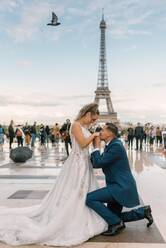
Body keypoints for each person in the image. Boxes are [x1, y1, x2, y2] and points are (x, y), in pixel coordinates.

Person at [0, 103, 107, 246]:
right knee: (75, 191)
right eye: (93, 119)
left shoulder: (83, 126)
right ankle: (71, 217)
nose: (94, 122)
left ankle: (81, 214)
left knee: (82, 191)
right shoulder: (75, 125)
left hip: (83, 163)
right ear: (87, 114)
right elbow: (82, 144)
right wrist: (94, 135)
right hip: (77, 164)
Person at [86, 123, 153, 236]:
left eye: (103, 130)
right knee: (110, 216)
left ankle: (117, 223)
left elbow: (98, 162)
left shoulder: (116, 146)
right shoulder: (111, 145)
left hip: (120, 187)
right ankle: (142, 212)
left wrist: (96, 147)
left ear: (110, 133)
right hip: (116, 185)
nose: (100, 132)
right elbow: (96, 161)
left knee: (89, 199)